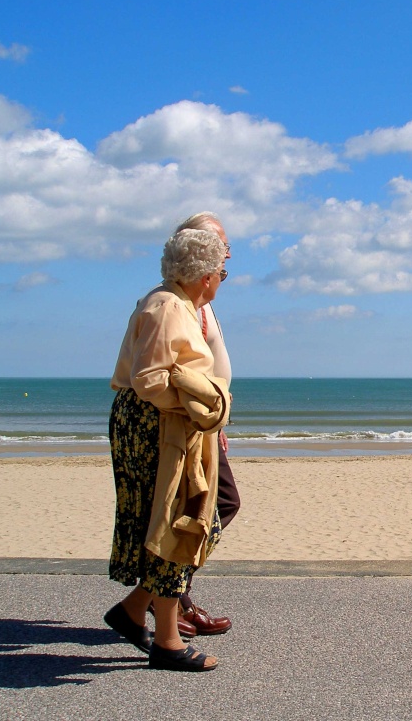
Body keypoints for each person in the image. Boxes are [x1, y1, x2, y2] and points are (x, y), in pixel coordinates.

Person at [105, 228, 230, 672]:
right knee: (180, 522)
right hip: (156, 427)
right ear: (204, 277)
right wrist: (199, 404)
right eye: (221, 272)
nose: (221, 280)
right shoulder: (168, 307)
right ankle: (167, 641)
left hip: (157, 425)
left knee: (183, 521)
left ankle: (135, 611)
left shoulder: (171, 302)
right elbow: (152, 379)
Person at [171, 212, 237, 638]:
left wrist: (219, 423)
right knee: (209, 507)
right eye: (221, 246)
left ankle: (175, 597)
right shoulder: (174, 304)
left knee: (209, 508)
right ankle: (167, 600)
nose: (228, 255)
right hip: (190, 425)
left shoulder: (203, 303)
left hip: (208, 424)